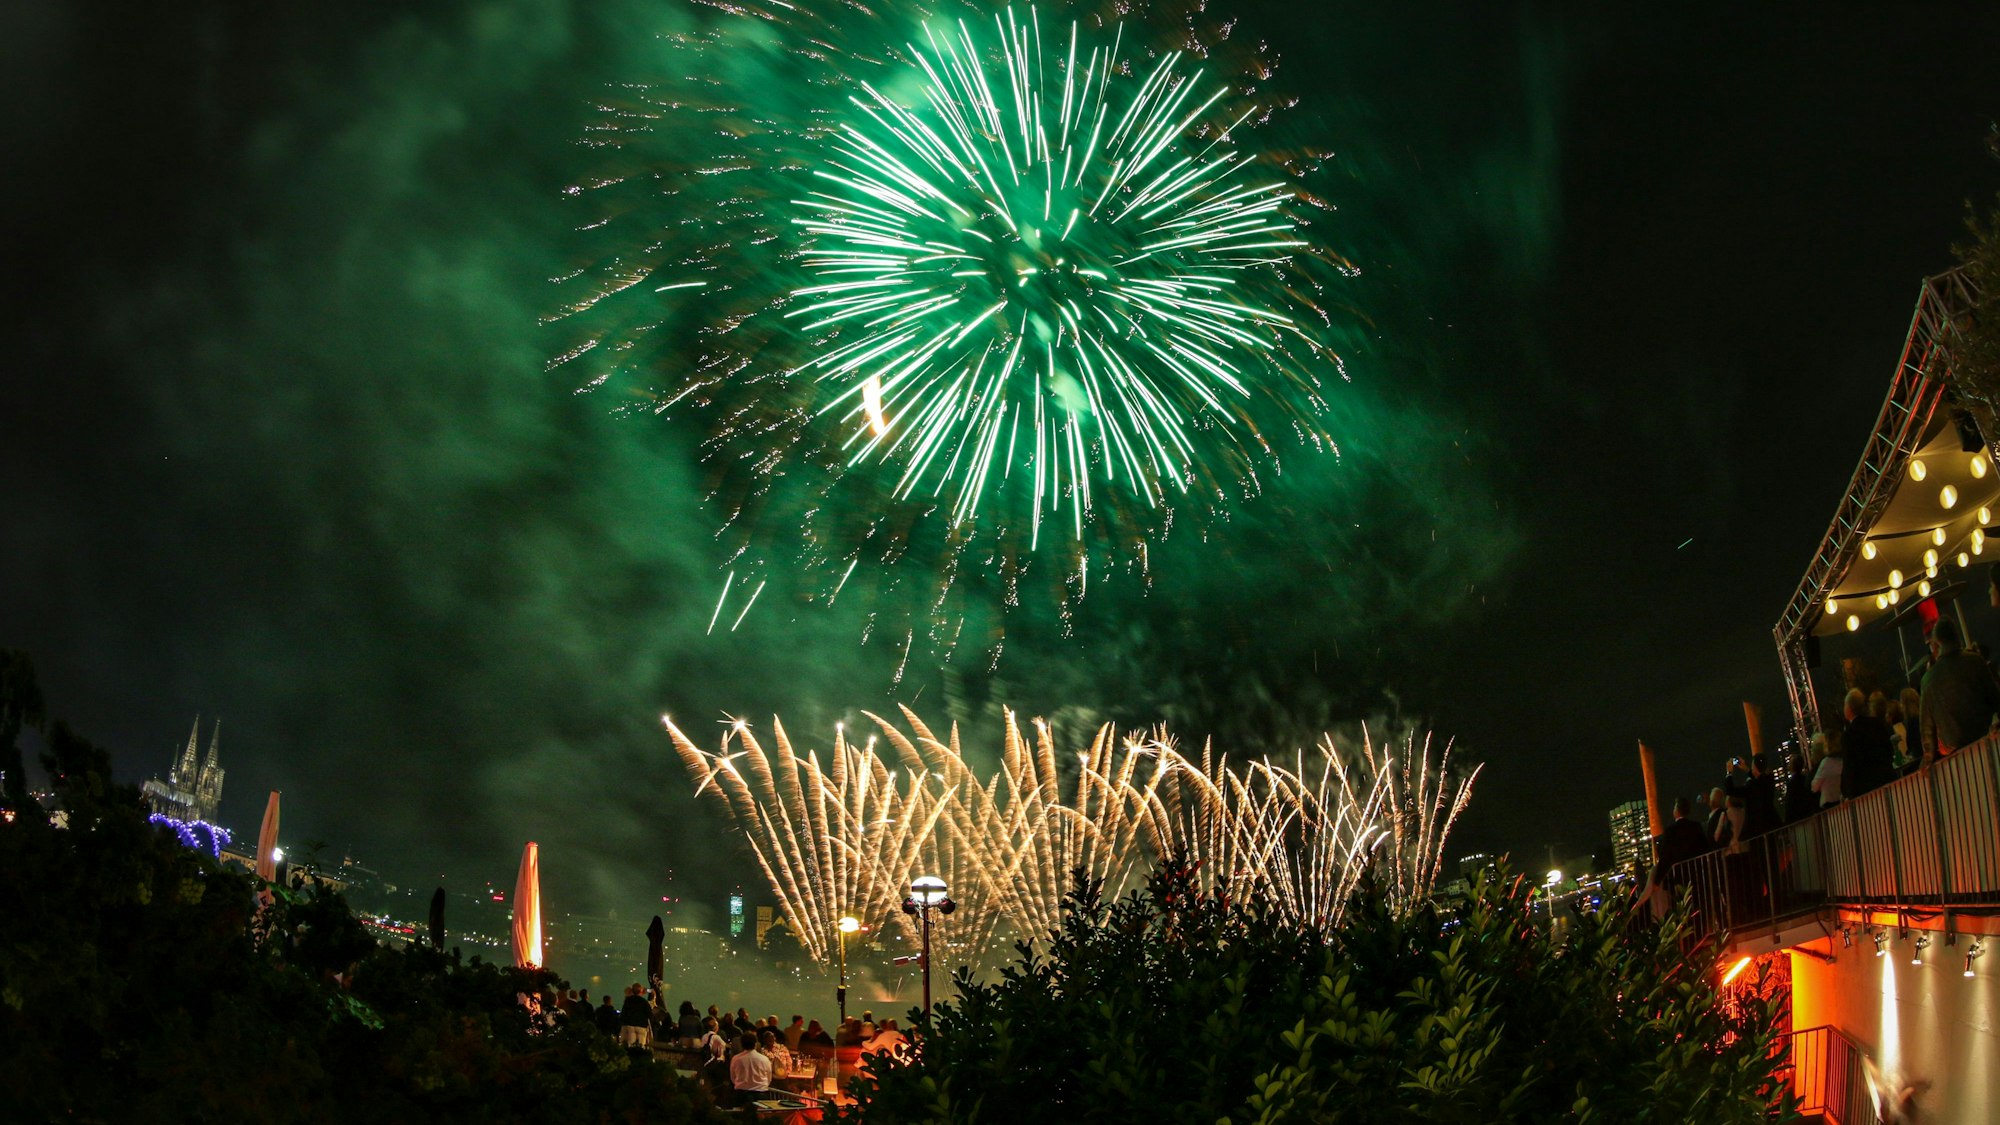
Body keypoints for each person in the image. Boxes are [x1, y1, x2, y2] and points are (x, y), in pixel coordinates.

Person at [1918, 619, 2000, 765]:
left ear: (1937, 643)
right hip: (1987, 742)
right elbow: (1995, 698)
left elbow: (1927, 728)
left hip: (1954, 756)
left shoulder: (1928, 680)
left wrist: (1928, 756)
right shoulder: (1975, 661)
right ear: (1956, 636)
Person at [1840, 689, 1896, 800]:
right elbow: (1889, 749)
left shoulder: (1849, 735)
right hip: (1886, 779)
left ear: (1849, 709)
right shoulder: (1876, 724)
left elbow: (1849, 766)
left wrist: (1848, 793)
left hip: (1865, 791)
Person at [1810, 734, 1844, 808]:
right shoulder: (1842, 761)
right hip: (1841, 799)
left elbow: (1814, 787)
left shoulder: (1825, 763)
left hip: (1828, 803)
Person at [619, 984, 652, 1049]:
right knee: (641, 1045)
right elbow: (649, 1014)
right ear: (640, 991)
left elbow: (623, 1013)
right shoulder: (644, 1002)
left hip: (630, 1025)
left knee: (631, 1045)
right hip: (641, 1026)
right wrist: (648, 990)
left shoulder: (628, 1001)